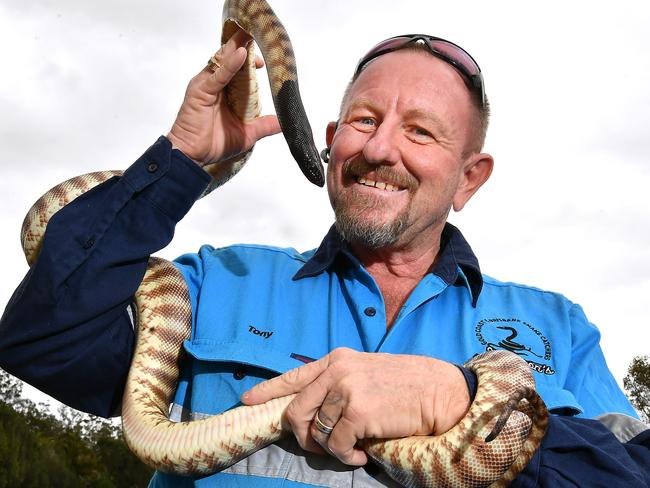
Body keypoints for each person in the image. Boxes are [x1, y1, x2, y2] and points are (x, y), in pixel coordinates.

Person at [1, 29, 649, 487]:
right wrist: (179, 164)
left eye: (420, 131)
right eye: (363, 122)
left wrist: (459, 400)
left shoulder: (559, 330)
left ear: (469, 178)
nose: (381, 149)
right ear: (332, 145)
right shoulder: (215, 284)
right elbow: (47, 343)